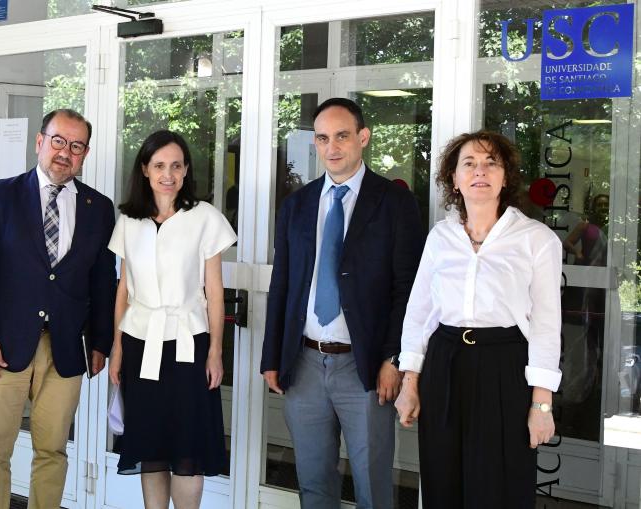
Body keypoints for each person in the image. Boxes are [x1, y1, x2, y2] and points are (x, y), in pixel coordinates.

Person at [260, 98, 425, 509]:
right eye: (322, 138)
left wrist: (394, 358)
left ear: (363, 138)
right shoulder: (297, 205)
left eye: (342, 136)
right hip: (305, 362)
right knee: (314, 483)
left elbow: (408, 288)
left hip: (365, 366)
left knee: (372, 485)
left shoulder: (394, 202)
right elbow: (282, 283)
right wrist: (271, 357)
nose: (332, 147)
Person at [395, 130, 561, 508]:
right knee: (442, 478)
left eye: (491, 163)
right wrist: (410, 381)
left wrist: (542, 406)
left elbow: (548, 326)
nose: (479, 171)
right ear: (454, 178)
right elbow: (421, 312)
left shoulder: (536, 239)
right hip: (445, 362)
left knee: (498, 482)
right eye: (468, 164)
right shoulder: (440, 237)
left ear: (506, 176)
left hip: (505, 366)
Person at [0, 109, 116, 509]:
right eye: (58, 141)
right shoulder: (1, 195)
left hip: (66, 347)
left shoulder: (99, 208)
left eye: (76, 146)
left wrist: (100, 342)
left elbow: (102, 280)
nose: (65, 152)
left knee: (53, 451)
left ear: (85, 154)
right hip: (4, 345)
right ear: (39, 141)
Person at [107, 130, 236, 509]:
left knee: (187, 446)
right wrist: (116, 349)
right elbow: (123, 291)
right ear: (145, 170)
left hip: (188, 343)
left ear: (186, 171)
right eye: (160, 165)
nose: (168, 174)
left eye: (176, 166)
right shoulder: (130, 221)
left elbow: (215, 291)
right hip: (139, 342)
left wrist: (215, 351)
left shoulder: (205, 218)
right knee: (150, 444)